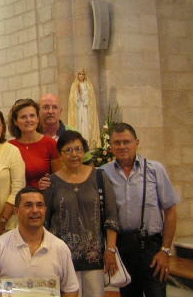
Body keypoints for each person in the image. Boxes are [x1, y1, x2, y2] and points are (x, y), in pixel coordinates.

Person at [100, 123, 180, 297]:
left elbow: (170, 211)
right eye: (117, 142)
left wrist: (165, 250)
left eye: (126, 142)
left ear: (136, 143)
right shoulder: (103, 173)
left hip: (151, 247)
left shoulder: (155, 169)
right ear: (111, 146)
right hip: (122, 246)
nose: (122, 146)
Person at [43, 130, 119, 297]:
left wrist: (110, 249)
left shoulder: (98, 177)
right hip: (62, 257)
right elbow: (45, 222)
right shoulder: (51, 182)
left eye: (78, 149)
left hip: (94, 257)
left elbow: (111, 215)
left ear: (84, 151)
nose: (74, 155)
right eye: (68, 150)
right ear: (60, 154)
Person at [0, 187, 79, 297]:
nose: (35, 210)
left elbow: (71, 289)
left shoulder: (60, 248)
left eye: (39, 205)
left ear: (45, 210)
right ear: (17, 211)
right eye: (28, 205)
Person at [7, 99, 60, 187]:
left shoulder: (50, 143)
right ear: (15, 122)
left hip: (44, 194)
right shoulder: (10, 146)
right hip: (18, 194)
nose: (28, 120)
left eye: (32, 116)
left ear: (37, 119)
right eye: (23, 117)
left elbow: (58, 179)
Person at [68, 70, 100, 148]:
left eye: (83, 74)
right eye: (80, 74)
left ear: (85, 76)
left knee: (85, 123)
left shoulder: (88, 85)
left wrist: (82, 92)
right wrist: (77, 92)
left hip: (85, 108)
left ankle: (87, 141)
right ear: (77, 75)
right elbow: (72, 98)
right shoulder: (74, 85)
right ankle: (78, 140)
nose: (81, 76)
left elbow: (90, 98)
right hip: (78, 108)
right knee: (79, 122)